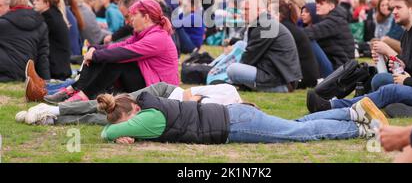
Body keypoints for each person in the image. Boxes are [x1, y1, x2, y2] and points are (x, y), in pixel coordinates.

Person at [307, 0, 412, 114]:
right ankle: (339, 104)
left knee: (387, 86)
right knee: (380, 80)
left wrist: (406, 80)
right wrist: (393, 62)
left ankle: (333, 105)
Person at [96, 92, 388, 145]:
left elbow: (105, 134)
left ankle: (360, 129)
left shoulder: (147, 119)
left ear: (130, 113)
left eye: (124, 123)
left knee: (300, 133)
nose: (129, 130)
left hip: (234, 125)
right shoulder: (150, 106)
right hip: (234, 116)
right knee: (298, 124)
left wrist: (119, 132)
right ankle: (351, 112)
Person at [44, 0, 179, 103]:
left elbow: (125, 52)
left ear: (146, 17)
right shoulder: (144, 34)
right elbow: (119, 46)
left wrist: (95, 55)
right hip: (149, 81)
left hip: (160, 92)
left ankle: (80, 94)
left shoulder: (158, 37)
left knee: (117, 60)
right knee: (102, 55)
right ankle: (75, 91)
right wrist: (95, 48)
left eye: (134, 15)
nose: (130, 20)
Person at [17, 83, 243, 126]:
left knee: (103, 120)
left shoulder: (227, 116)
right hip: (163, 95)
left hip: (163, 110)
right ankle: (53, 109)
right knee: (107, 106)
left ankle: (53, 119)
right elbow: (190, 97)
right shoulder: (229, 93)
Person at [226, 0, 302, 93]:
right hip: (280, 78)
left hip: (281, 82)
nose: (243, 13)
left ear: (258, 10)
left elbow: (248, 59)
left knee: (232, 69)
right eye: (243, 9)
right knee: (240, 46)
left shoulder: (264, 25)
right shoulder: (264, 22)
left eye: (247, 9)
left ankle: (224, 78)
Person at [370, 0, 412, 91]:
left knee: (380, 79)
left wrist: (389, 52)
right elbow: (404, 66)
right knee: (370, 73)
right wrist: (385, 60)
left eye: (398, 7)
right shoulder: (406, 33)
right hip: (406, 80)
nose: (394, 12)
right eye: (393, 8)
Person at [0, 0, 50, 82]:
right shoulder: (41, 25)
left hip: (4, 73)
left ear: (10, 7)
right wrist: (46, 80)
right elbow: (43, 55)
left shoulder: (3, 24)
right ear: (27, 4)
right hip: (27, 74)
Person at [303, 0, 355, 70]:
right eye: (317, 3)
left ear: (331, 6)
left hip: (340, 69)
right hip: (337, 64)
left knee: (308, 40)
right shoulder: (334, 19)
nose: (317, 6)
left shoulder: (334, 21)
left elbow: (307, 33)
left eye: (321, 3)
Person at [278, 0, 320, 89]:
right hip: (307, 76)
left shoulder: (284, 29)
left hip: (303, 77)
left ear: (280, 14)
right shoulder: (287, 26)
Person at [34, 0, 72, 80]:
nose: (34, 2)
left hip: (55, 69)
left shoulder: (48, 18)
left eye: (37, 0)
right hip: (61, 66)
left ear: (47, 3)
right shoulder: (55, 14)